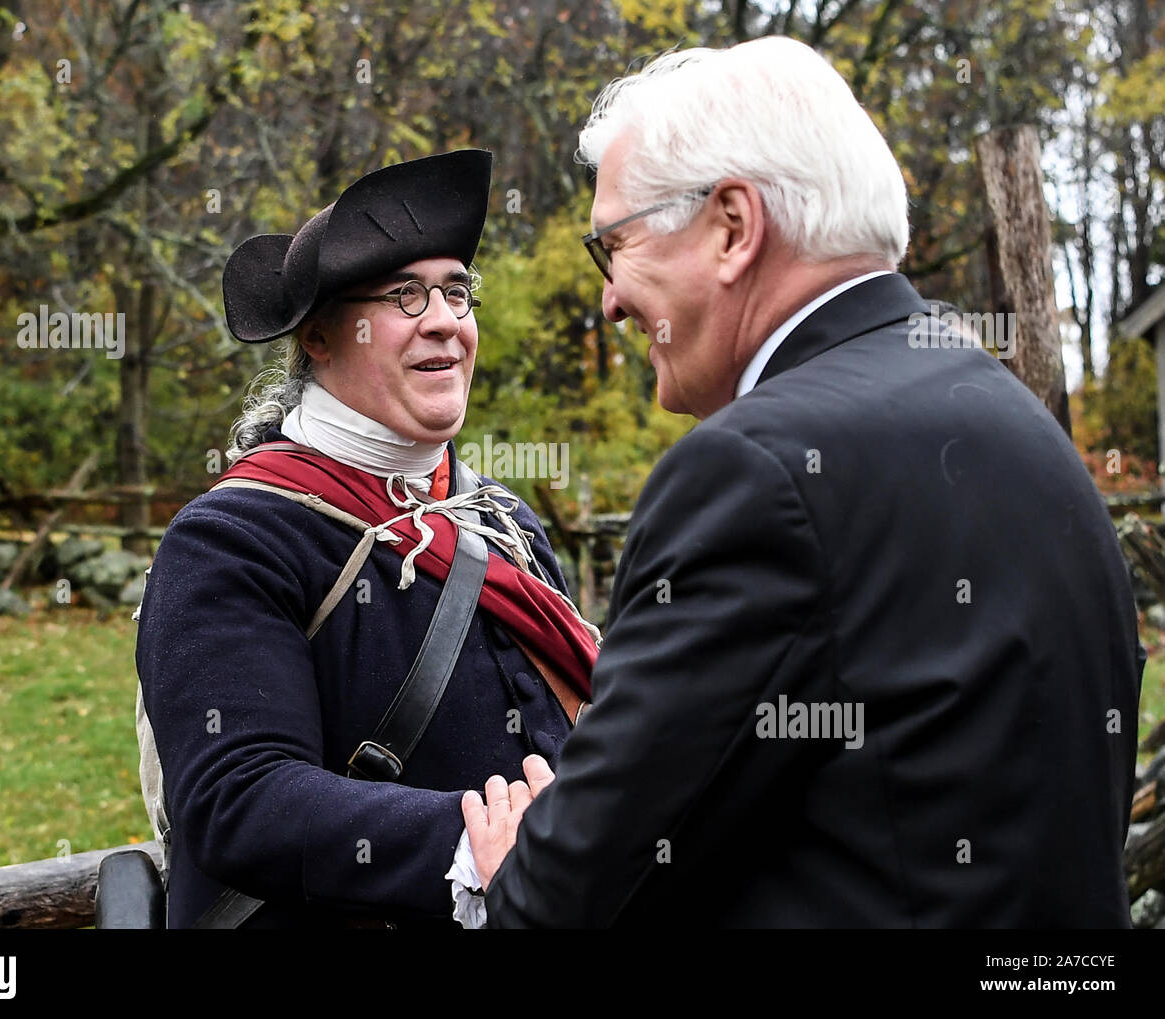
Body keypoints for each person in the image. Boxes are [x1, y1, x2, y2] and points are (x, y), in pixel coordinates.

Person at [461, 38, 1144, 927]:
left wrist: (513, 870)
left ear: (734, 228)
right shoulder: (1013, 419)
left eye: (614, 246)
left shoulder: (754, 473)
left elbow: (584, 896)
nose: (611, 302)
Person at [133, 149, 600, 928]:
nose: (447, 319)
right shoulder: (229, 539)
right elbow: (238, 800)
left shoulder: (504, 523)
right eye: (406, 296)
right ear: (319, 336)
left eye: (457, 292)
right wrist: (474, 844)